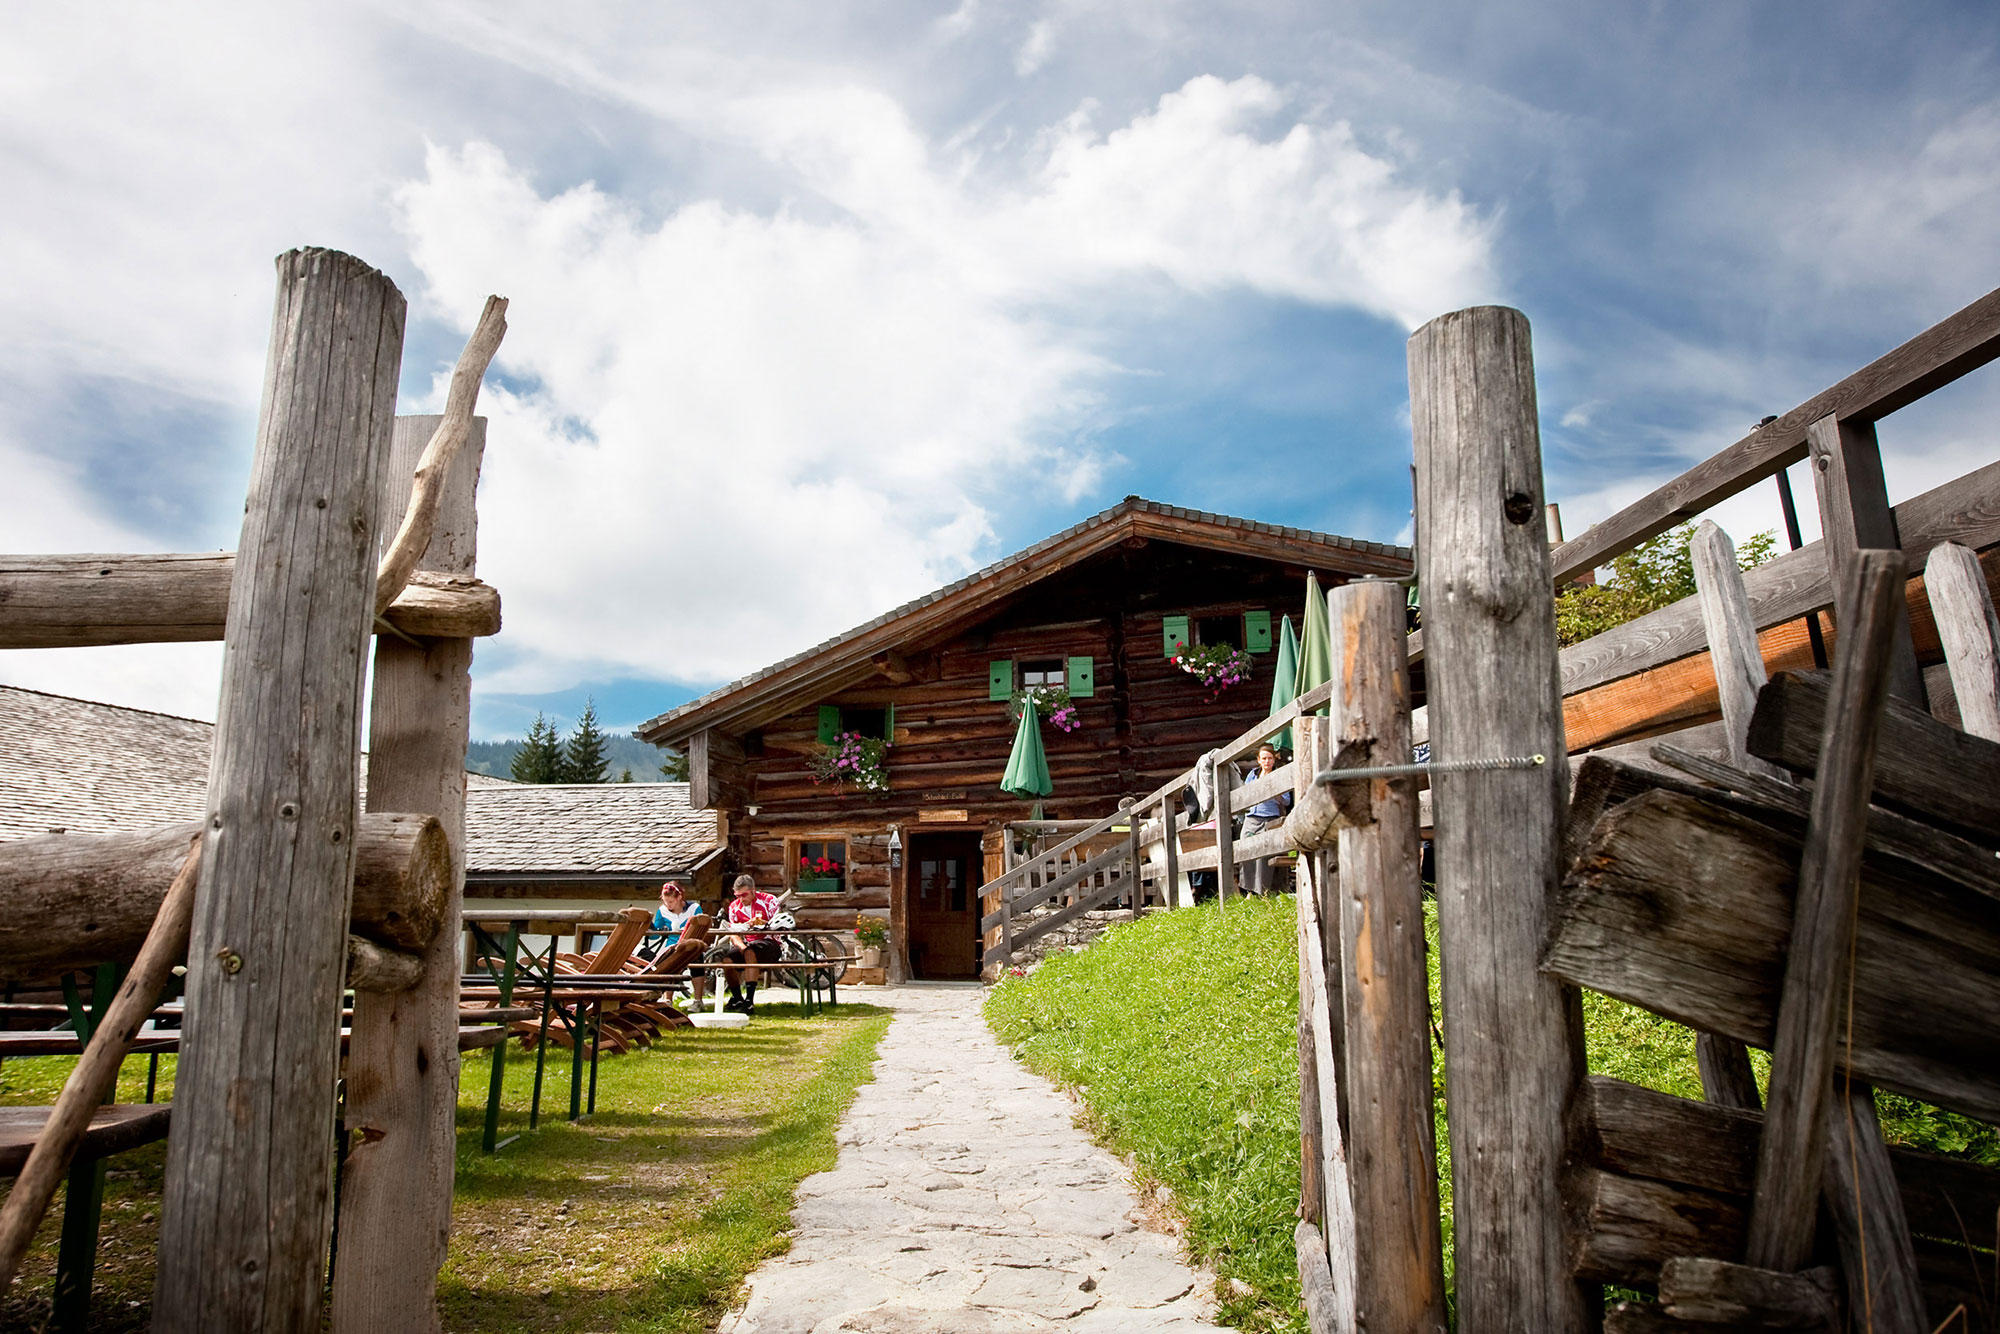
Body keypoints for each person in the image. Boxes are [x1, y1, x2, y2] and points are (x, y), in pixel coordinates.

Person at [719, 873, 784, 1014]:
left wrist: (759, 924)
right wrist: (741, 946)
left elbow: (777, 924)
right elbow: (733, 932)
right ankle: (737, 997)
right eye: (737, 896)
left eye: (744, 895)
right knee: (727, 961)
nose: (741, 899)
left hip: (770, 942)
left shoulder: (769, 900)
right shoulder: (733, 907)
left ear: (753, 891)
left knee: (750, 952)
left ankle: (749, 1000)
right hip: (748, 943)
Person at [640, 881, 712, 1004]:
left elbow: (702, 927)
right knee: (668, 961)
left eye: (671, 902)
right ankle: (668, 1000)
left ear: (679, 897)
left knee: (697, 958)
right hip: (673, 947)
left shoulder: (694, 908)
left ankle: (698, 1000)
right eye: (665, 901)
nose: (668, 905)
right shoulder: (662, 911)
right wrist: (649, 927)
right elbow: (655, 936)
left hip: (692, 946)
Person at [1239, 743, 1293, 896]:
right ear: (1259, 760)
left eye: (1270, 758)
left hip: (1270, 818)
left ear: (1274, 760)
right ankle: (1249, 890)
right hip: (1251, 818)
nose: (1267, 761)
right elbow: (1245, 794)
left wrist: (1276, 794)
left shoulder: (1278, 775)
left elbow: (1287, 800)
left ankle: (1261, 891)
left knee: (1263, 856)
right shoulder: (1253, 774)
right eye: (1264, 758)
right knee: (1245, 850)